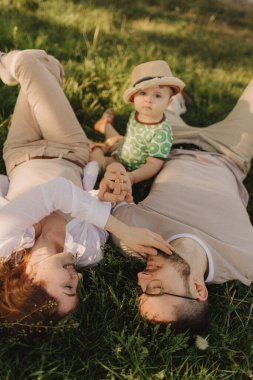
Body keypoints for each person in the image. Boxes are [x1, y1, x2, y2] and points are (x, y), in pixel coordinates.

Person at [0, 50, 173, 328]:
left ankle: (8, 63)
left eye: (67, 288)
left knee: (31, 64)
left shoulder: (6, 242)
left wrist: (124, 230)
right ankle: (41, 68)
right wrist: (105, 192)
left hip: (20, 150)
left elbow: (55, 192)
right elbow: (93, 201)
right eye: (77, 288)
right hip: (69, 147)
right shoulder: (88, 253)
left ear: (30, 282)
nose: (77, 279)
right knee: (43, 67)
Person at [100, 74, 253, 333]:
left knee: (154, 101)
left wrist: (116, 182)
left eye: (141, 289)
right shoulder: (244, 261)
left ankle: (168, 106)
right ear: (197, 289)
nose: (141, 278)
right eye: (155, 289)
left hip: (169, 143)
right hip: (229, 152)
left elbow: (104, 204)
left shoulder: (135, 239)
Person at [90, 60, 185, 186]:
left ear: (168, 102)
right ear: (134, 97)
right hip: (124, 149)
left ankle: (99, 146)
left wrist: (133, 177)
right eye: (143, 93)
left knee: (96, 158)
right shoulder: (136, 113)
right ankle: (105, 124)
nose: (148, 100)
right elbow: (132, 137)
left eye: (157, 95)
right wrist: (122, 144)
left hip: (130, 169)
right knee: (116, 140)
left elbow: (153, 164)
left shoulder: (162, 132)